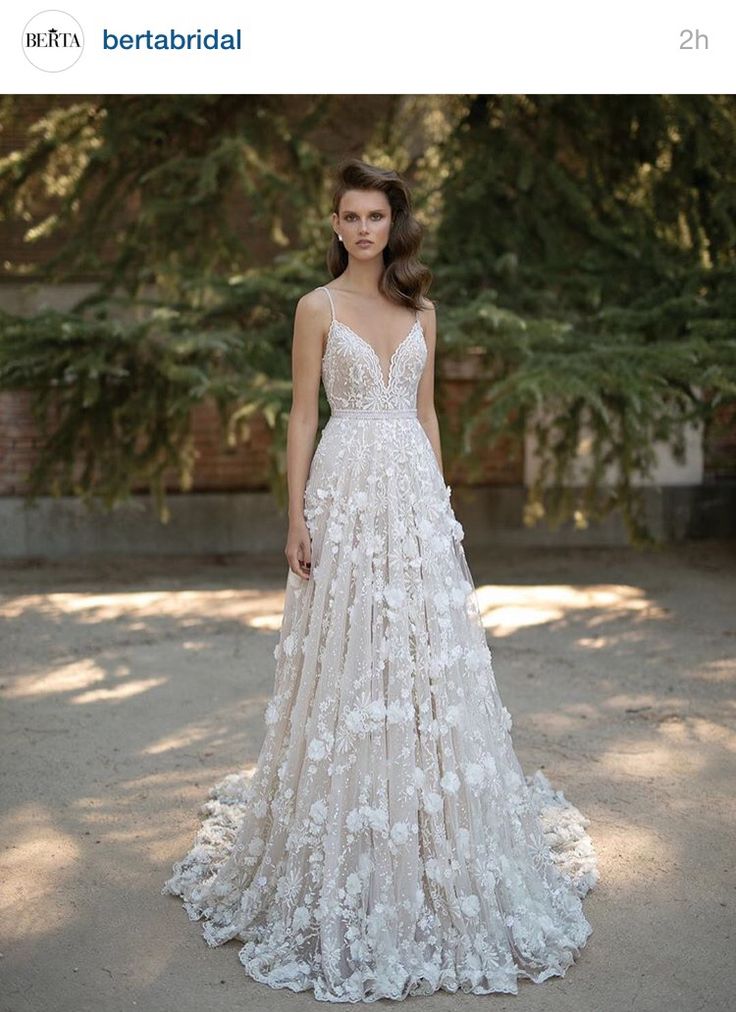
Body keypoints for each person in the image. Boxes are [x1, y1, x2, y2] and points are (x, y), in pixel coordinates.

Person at [162, 157, 599, 1002]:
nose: (363, 229)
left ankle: (432, 834)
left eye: (375, 217)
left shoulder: (423, 308)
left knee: (425, 657)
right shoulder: (316, 308)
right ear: (334, 226)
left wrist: (441, 506)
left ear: (393, 226)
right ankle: (346, 830)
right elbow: (300, 414)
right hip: (346, 490)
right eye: (350, 217)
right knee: (349, 658)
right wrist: (296, 518)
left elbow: (429, 410)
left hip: (411, 494)